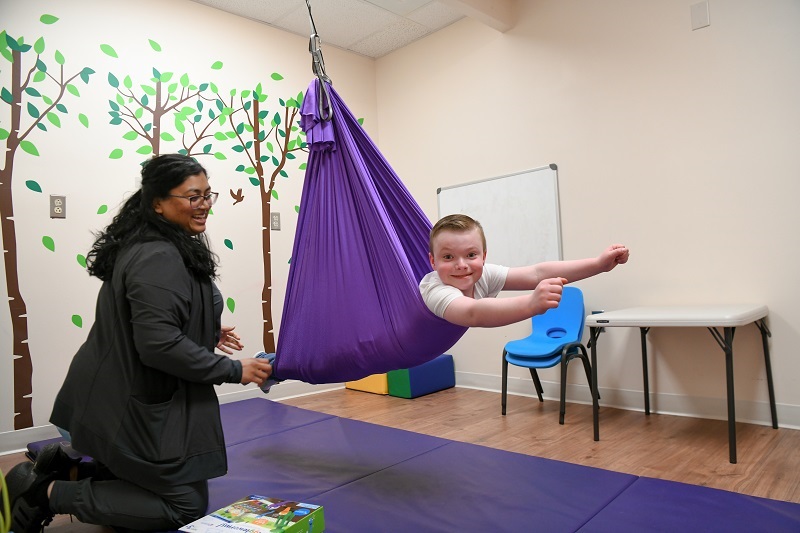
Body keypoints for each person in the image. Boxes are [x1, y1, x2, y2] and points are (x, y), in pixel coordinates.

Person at [5, 154, 273, 532]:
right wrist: (233, 370)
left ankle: (72, 469)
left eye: (207, 195)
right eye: (192, 196)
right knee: (184, 505)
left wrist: (203, 330)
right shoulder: (158, 254)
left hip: (119, 392)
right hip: (121, 402)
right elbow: (159, 345)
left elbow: (146, 319)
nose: (204, 205)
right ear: (158, 203)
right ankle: (42, 492)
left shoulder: (165, 243)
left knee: (171, 481)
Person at [420, 214, 629, 327]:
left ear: (484, 256)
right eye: (448, 257)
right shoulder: (435, 288)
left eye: (471, 255)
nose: (461, 265)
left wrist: (598, 265)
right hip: (403, 346)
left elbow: (536, 274)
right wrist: (531, 303)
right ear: (433, 262)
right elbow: (473, 313)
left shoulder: (482, 274)